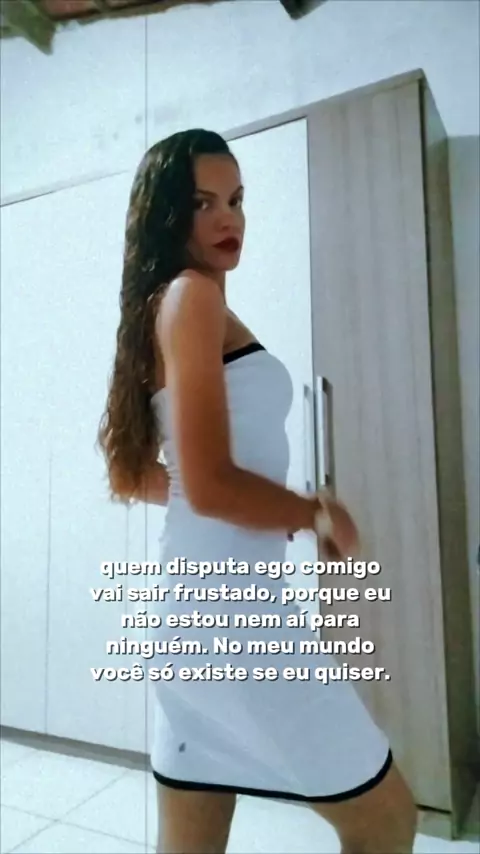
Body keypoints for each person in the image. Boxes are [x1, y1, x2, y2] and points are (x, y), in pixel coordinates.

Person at [98, 129, 417, 854]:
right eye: (203, 203)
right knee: (387, 818)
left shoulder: (164, 305)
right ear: (167, 215)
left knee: (191, 841)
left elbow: (141, 476)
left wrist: (261, 508)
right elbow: (210, 487)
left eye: (237, 200)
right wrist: (313, 514)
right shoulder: (192, 298)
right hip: (237, 626)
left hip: (190, 624)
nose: (228, 218)